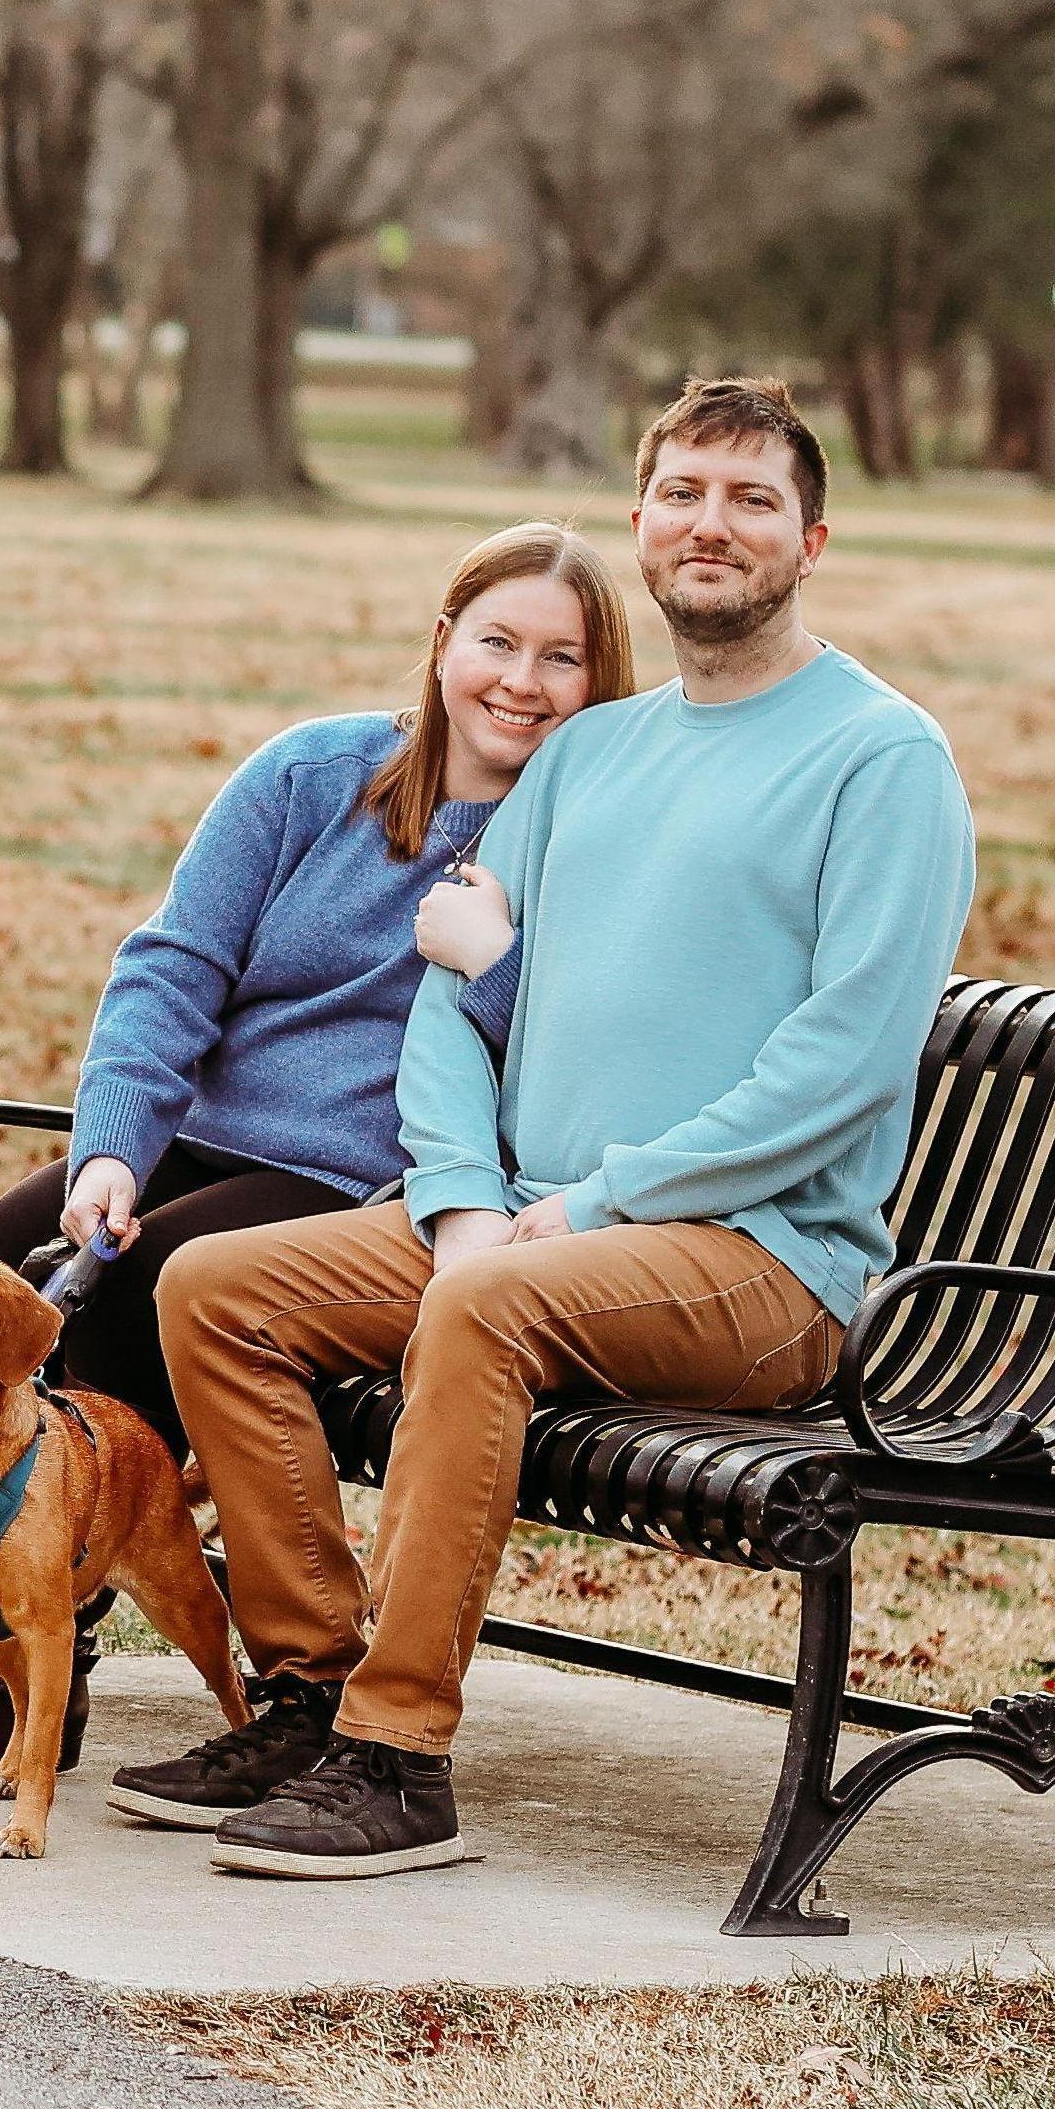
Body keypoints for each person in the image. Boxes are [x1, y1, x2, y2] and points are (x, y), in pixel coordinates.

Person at [113, 374, 976, 1878]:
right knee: (214, 1287)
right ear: (643, 521)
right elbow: (452, 990)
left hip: (759, 1260)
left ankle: (397, 1758)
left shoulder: (880, 758)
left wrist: (593, 1204)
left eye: (750, 499)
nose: (712, 525)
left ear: (811, 539)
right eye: (684, 494)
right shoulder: (591, 752)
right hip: (515, 1226)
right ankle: (310, 1692)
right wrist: (454, 1198)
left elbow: (843, 1057)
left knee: (488, 1312)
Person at [0, 521, 631, 1783]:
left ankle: (25, 1653)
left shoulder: (587, 839)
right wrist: (112, 1149)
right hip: (207, 1131)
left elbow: (582, 1045)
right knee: (14, 1246)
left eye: (562, 658)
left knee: (164, 1277)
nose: (520, 681)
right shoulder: (314, 775)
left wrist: (499, 958)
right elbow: (172, 964)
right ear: (439, 647)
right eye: (495, 642)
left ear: (604, 685)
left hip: (375, 1182)